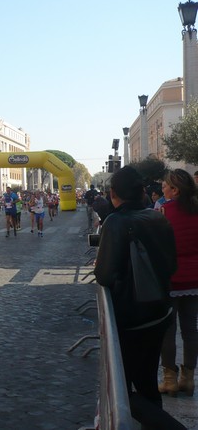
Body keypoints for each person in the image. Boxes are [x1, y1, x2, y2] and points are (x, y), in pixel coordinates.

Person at [94, 166, 185, 429]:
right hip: (160, 311)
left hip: (132, 316)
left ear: (113, 193)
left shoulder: (116, 222)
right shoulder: (159, 217)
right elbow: (171, 264)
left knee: (121, 387)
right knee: (146, 380)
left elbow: (105, 274)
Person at [159, 169, 198, 397]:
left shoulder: (164, 211)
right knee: (191, 330)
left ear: (175, 190)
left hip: (171, 278)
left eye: (165, 185)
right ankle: (188, 379)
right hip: (195, 278)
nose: (162, 189)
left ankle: (170, 379)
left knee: (168, 330)